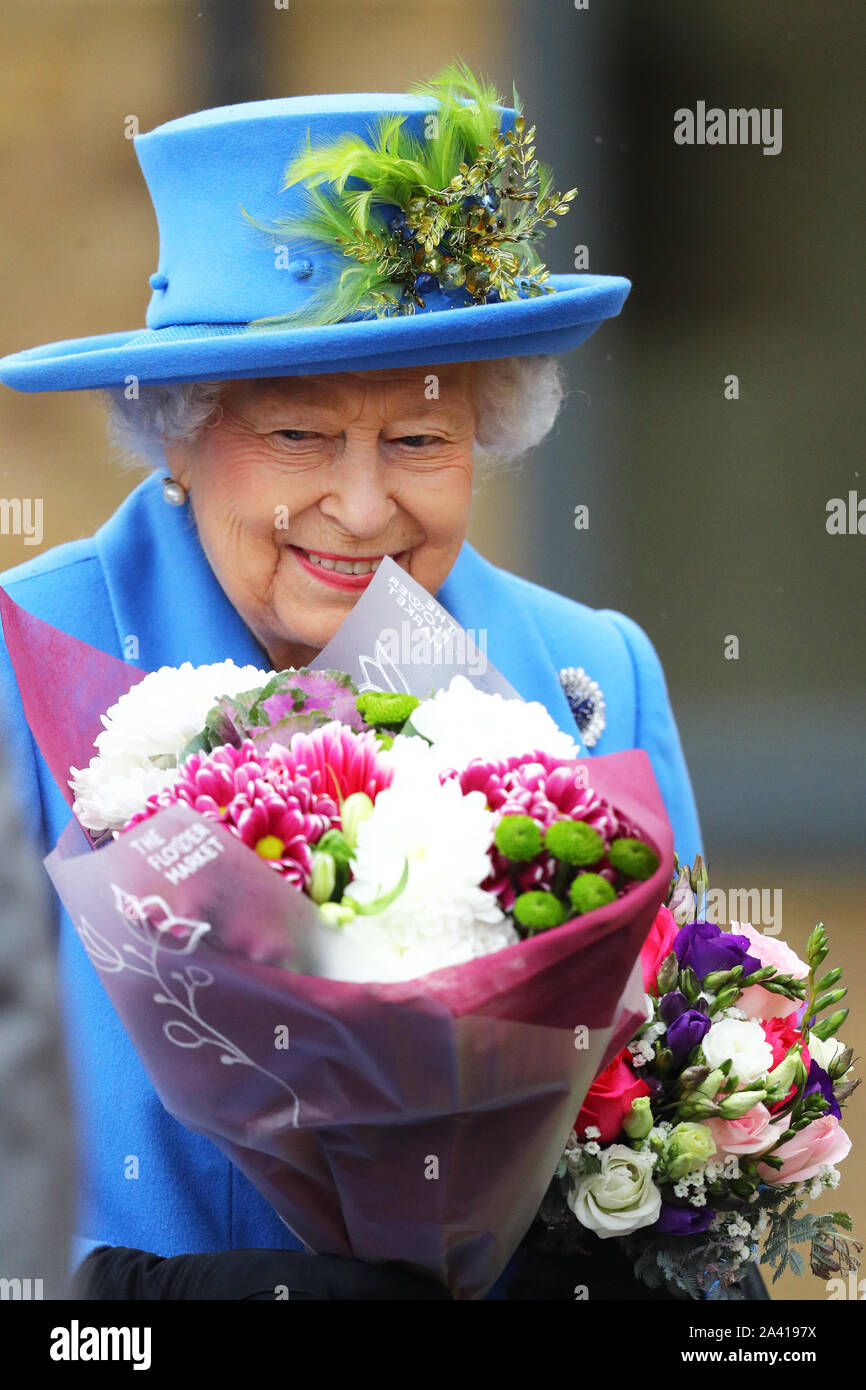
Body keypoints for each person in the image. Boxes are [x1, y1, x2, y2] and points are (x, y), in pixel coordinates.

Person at [0, 68, 704, 1300]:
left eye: (421, 438)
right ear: (176, 424)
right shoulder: (21, 670)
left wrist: (650, 1273)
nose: (365, 505)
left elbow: (681, 1126)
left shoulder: (593, 675)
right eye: (297, 435)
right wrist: (116, 1308)